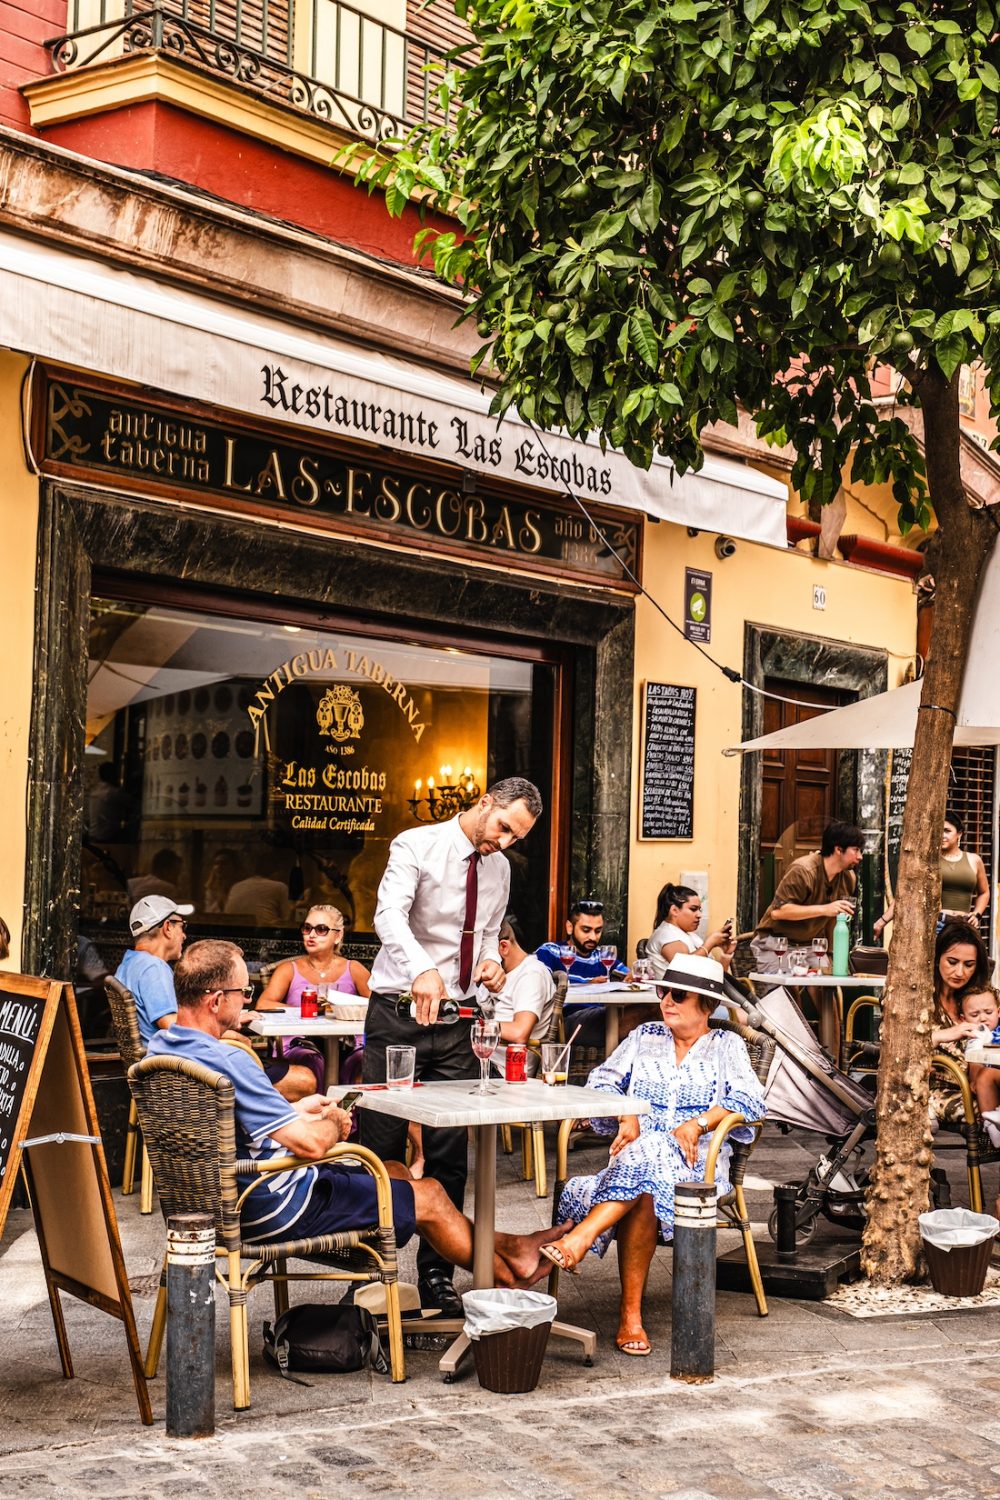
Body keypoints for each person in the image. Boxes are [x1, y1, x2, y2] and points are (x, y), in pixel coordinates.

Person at [147, 939, 567, 1283]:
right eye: (244, 993)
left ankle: (511, 1246)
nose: (247, 1001)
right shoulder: (230, 1060)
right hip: (272, 1204)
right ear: (216, 1000)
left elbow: (229, 1124)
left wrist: (296, 1108)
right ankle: (510, 1278)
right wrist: (334, 1121)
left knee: (393, 1170)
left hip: (211, 1205)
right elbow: (312, 1145)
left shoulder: (161, 1052)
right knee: (432, 1195)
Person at [359, 776, 542, 1316]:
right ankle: (373, 1274)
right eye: (503, 827)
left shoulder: (500, 868)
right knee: (381, 1149)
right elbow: (388, 916)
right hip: (397, 1015)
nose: (503, 842)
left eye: (516, 837)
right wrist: (423, 969)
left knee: (449, 1153)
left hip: (459, 1021)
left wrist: (490, 963)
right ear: (484, 802)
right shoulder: (416, 844)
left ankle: (436, 1274)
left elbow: (486, 933)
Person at [539, 953, 765, 1358]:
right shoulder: (645, 1037)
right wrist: (626, 1113)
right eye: (663, 991)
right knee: (644, 1178)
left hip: (697, 1166)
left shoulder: (726, 1045)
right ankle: (630, 1318)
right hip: (638, 1168)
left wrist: (698, 1124)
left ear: (707, 1005)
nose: (666, 1001)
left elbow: (750, 1100)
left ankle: (582, 1237)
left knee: (649, 1150)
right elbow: (600, 1081)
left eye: (678, 995)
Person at [751, 821, 864, 974]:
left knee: (829, 984)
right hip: (777, 943)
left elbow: (834, 920)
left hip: (812, 946)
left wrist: (831, 956)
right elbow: (778, 912)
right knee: (787, 988)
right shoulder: (803, 870)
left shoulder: (848, 877)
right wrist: (825, 909)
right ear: (838, 849)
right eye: (856, 850)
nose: (860, 856)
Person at [875, 812, 990, 940]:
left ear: (959, 834)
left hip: (965, 925)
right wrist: (882, 922)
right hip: (936, 924)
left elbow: (984, 892)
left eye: (947, 831)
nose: (942, 835)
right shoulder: (928, 861)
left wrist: (977, 914)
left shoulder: (974, 860)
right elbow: (906, 893)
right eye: (939, 831)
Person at [536, 897, 629, 1048]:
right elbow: (537, 983)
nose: (593, 937)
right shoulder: (550, 951)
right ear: (569, 927)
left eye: (598, 931)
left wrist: (634, 976)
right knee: (639, 1018)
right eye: (586, 930)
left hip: (603, 1015)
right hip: (566, 1021)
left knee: (651, 1012)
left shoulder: (603, 955)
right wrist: (587, 984)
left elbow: (627, 975)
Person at [928, 919, 992, 1129]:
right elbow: (897, 1049)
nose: (959, 972)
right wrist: (940, 1035)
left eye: (969, 965)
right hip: (933, 1093)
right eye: (952, 962)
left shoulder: (978, 998)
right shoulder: (918, 998)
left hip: (981, 1086)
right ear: (937, 958)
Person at [115, 894, 193, 1045]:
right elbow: (171, 1026)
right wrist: (220, 1030)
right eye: (182, 926)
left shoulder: (128, 963)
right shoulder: (153, 967)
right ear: (168, 927)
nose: (184, 936)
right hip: (163, 1056)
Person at [493, 914, 556, 1075]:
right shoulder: (499, 973)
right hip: (483, 1059)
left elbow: (519, 1033)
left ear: (503, 947)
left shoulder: (532, 974)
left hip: (504, 1070)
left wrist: (475, 1027)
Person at [646, 883, 736, 979]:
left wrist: (726, 954)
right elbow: (686, 972)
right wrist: (709, 944)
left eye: (700, 910)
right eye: (693, 909)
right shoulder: (666, 935)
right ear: (674, 910)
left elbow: (715, 980)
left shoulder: (691, 936)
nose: (699, 915)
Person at [960, 986, 1000, 1144]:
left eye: (988, 1012)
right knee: (984, 1076)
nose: (983, 1019)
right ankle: (992, 1126)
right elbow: (975, 1067)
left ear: (998, 1012)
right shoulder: (974, 1039)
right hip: (993, 1084)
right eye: (975, 1015)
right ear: (964, 1019)